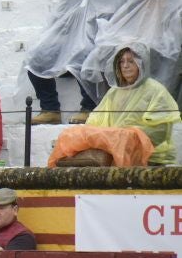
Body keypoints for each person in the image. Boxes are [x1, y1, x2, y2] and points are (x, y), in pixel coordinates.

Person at [25, 0, 131, 125]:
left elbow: (125, 23)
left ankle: (89, 107)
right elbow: (58, 21)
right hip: (71, 42)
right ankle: (50, 108)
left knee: (84, 51)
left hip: (104, 44)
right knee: (37, 54)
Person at [50, 45, 180, 167]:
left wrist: (128, 136)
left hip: (144, 155)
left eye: (130, 61)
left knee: (122, 137)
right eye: (121, 62)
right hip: (112, 149)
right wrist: (111, 137)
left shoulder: (155, 90)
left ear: (142, 64)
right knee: (73, 133)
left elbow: (160, 130)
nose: (125, 66)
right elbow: (95, 121)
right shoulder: (114, 92)